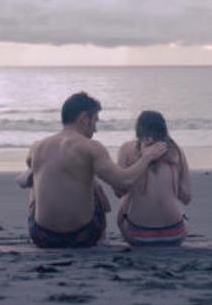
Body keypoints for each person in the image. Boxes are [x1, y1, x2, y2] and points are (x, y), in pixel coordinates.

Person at [22, 92, 167, 248]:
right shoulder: (91, 147)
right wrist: (146, 157)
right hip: (82, 237)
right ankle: (102, 239)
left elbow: (29, 169)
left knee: (36, 181)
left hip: (42, 237)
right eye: (95, 121)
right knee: (92, 185)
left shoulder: (37, 146)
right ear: (84, 119)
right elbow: (124, 180)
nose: (95, 130)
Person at [115, 110, 192, 246]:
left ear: (138, 131)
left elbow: (119, 191)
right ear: (164, 130)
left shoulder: (127, 149)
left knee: (126, 199)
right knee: (176, 203)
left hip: (138, 235)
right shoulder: (177, 151)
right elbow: (186, 198)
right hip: (175, 234)